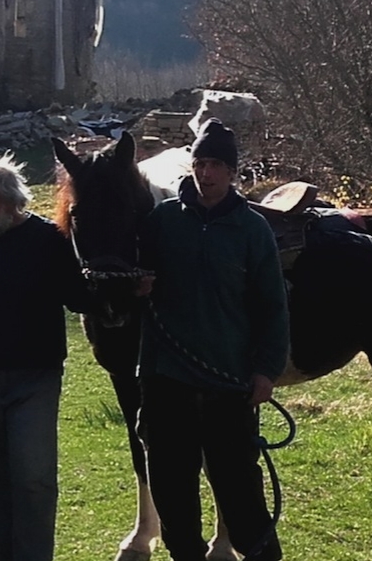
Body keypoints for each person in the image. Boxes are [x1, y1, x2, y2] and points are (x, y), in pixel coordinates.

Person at [135, 118, 290, 561]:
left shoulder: (252, 230)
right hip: (167, 381)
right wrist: (136, 287)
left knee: (241, 494)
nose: (206, 173)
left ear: (232, 172)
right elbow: (129, 274)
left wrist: (266, 370)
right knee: (172, 492)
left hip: (229, 382)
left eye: (217, 165)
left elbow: (272, 306)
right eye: (201, 163)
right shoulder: (161, 221)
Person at [0, 153, 93, 561]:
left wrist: (127, 289)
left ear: (12, 204)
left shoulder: (48, 240)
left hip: (34, 378)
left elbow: (80, 297)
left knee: (33, 478)